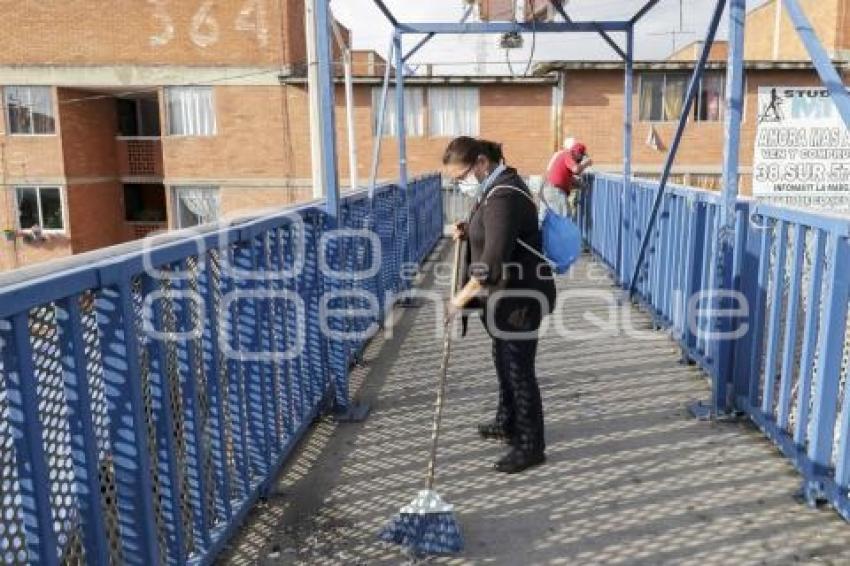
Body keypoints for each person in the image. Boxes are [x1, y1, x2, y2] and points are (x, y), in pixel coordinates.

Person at [443, 136, 556, 474]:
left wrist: (457, 302)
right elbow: (493, 232)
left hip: (520, 299)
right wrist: (468, 229)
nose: (459, 183)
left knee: (519, 370)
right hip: (505, 299)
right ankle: (507, 420)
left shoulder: (503, 195)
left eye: (461, 176)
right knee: (502, 359)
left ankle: (530, 445)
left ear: (481, 163)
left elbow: (490, 266)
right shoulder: (495, 187)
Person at [542, 137, 593, 216]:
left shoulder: (562, 155)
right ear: (578, 153)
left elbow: (567, 177)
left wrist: (581, 185)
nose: (579, 160)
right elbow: (576, 170)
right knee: (564, 216)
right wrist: (586, 163)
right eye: (581, 157)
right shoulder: (567, 154)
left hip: (550, 189)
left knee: (556, 217)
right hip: (555, 191)